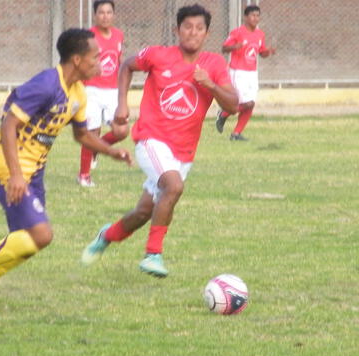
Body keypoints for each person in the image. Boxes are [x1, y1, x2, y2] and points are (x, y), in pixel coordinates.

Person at [0, 28, 133, 313]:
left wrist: (111, 151)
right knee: (42, 235)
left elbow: (82, 135)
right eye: (95, 57)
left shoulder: (78, 93)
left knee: (28, 244)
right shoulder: (47, 84)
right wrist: (16, 176)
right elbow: (9, 125)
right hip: (9, 171)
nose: (100, 62)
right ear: (76, 59)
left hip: (34, 174)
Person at [81, 4, 238, 277]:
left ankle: (107, 235)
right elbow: (127, 66)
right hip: (151, 139)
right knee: (173, 187)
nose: (193, 33)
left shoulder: (214, 64)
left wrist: (210, 85)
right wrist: (122, 105)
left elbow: (234, 105)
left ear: (207, 33)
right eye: (187, 27)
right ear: (177, 30)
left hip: (183, 151)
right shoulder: (158, 55)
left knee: (144, 211)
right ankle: (153, 254)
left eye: (199, 28)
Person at [77, 0, 127, 187]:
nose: (105, 16)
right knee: (91, 132)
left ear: (113, 15)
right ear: (95, 15)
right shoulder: (88, 36)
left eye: (108, 12)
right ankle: (84, 175)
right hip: (92, 90)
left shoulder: (119, 35)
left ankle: (96, 149)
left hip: (113, 90)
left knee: (121, 131)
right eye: (101, 13)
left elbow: (119, 62)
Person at [215, 5, 275, 141]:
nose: (255, 18)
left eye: (257, 16)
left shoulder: (260, 34)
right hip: (238, 71)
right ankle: (223, 114)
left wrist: (267, 52)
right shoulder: (238, 32)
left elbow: (261, 52)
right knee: (245, 103)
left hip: (252, 73)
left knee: (251, 104)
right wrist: (234, 47)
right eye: (253, 15)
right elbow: (224, 48)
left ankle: (236, 134)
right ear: (246, 17)